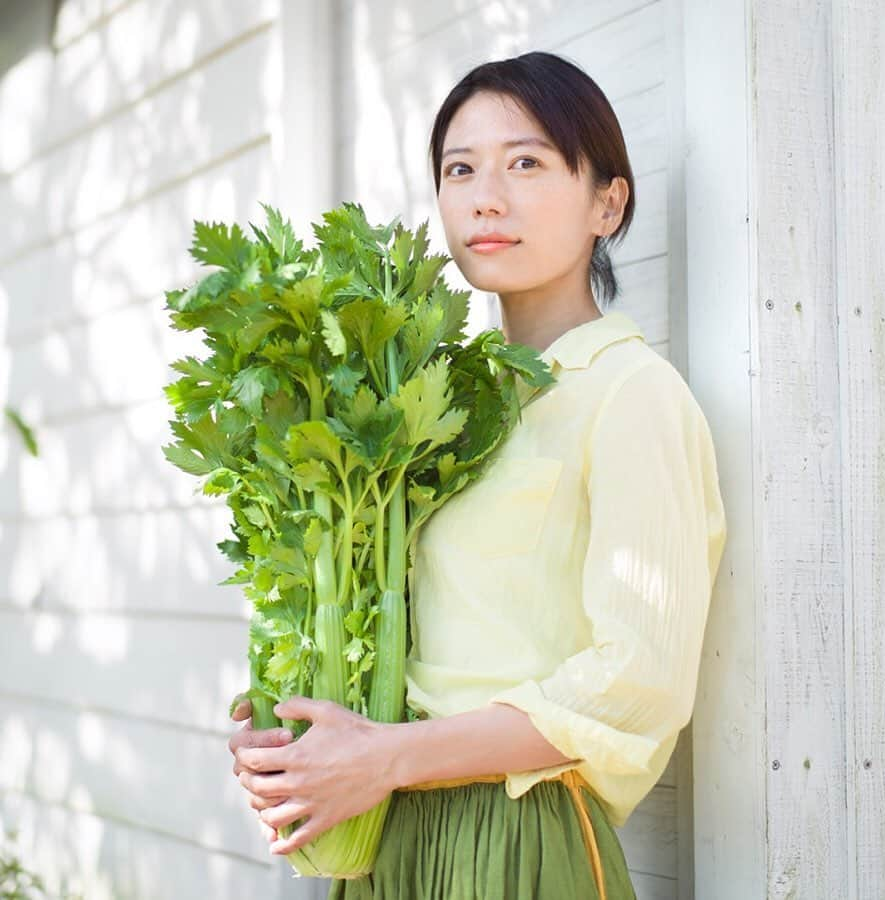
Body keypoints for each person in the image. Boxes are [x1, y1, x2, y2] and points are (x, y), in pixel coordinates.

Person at [227, 51, 727, 899]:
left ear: (610, 201)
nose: (485, 196)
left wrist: (389, 755)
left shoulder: (630, 395)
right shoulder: (430, 402)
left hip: (513, 835)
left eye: (525, 162)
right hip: (385, 833)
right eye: (460, 169)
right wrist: (291, 727)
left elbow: (636, 680)